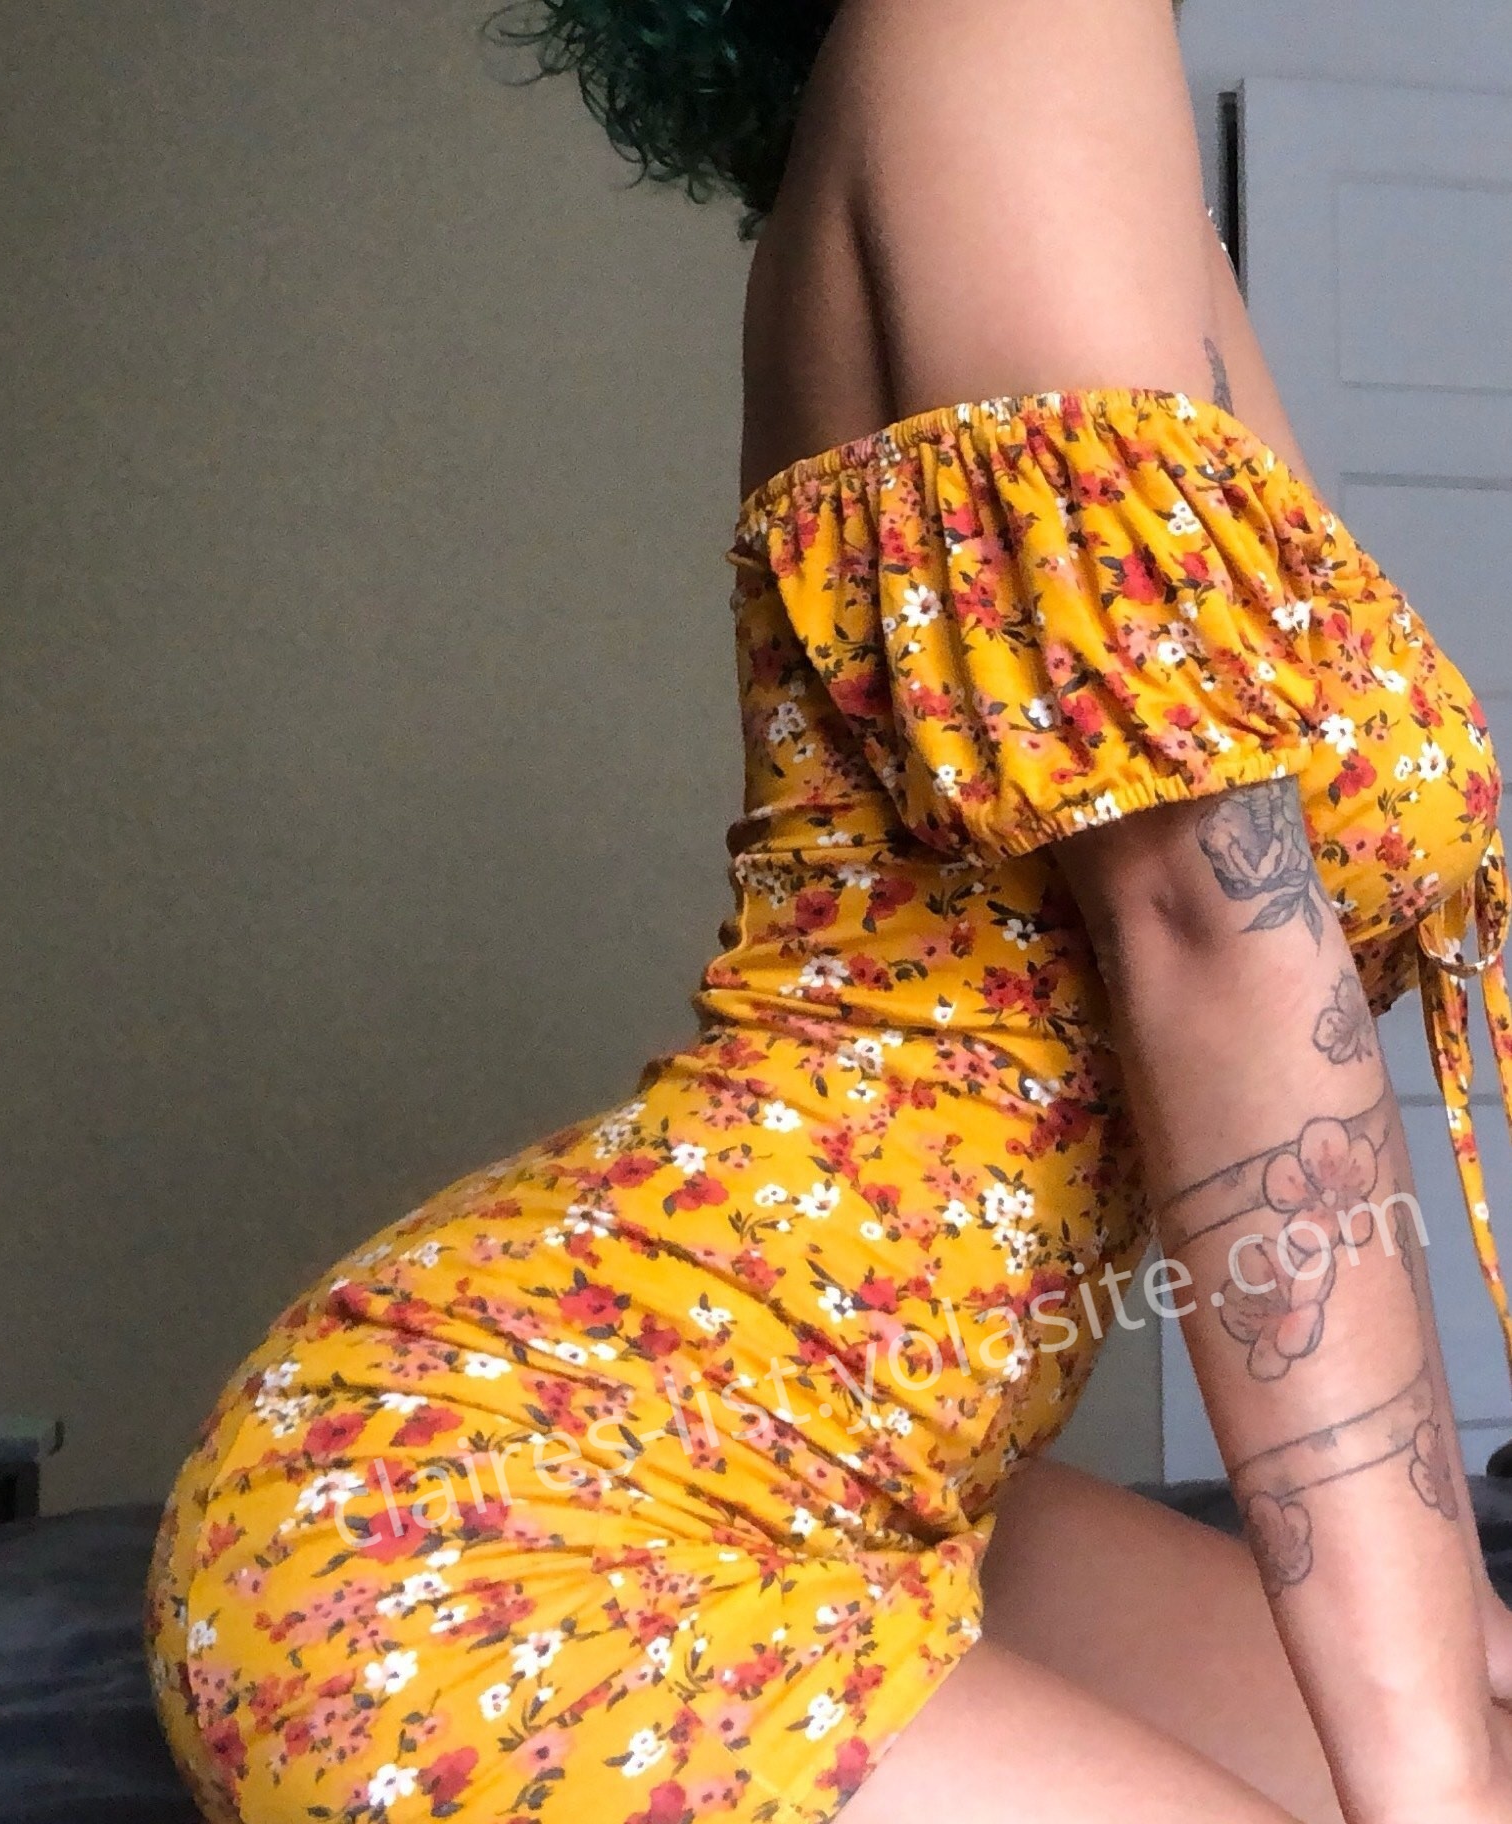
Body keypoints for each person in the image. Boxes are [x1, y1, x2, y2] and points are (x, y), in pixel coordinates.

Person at [143, 1, 1512, 1819]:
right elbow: (1204, 917)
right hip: (493, 1526)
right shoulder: (1007, 22)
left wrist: (1454, 1653)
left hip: (871, 1475)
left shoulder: (1069, 108)